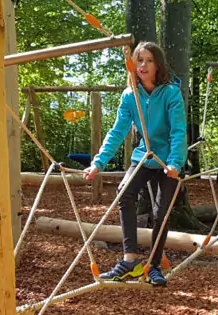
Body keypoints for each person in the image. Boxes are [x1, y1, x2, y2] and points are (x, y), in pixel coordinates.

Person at [83, 41, 187, 287]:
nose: (143, 65)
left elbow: (178, 132)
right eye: (139, 60)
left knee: (162, 211)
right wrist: (98, 163)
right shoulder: (130, 95)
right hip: (143, 157)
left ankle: (153, 265)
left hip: (165, 160)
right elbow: (117, 131)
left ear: (158, 64)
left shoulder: (171, 93)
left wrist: (175, 163)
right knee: (124, 192)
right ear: (132, 65)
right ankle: (130, 259)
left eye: (149, 60)